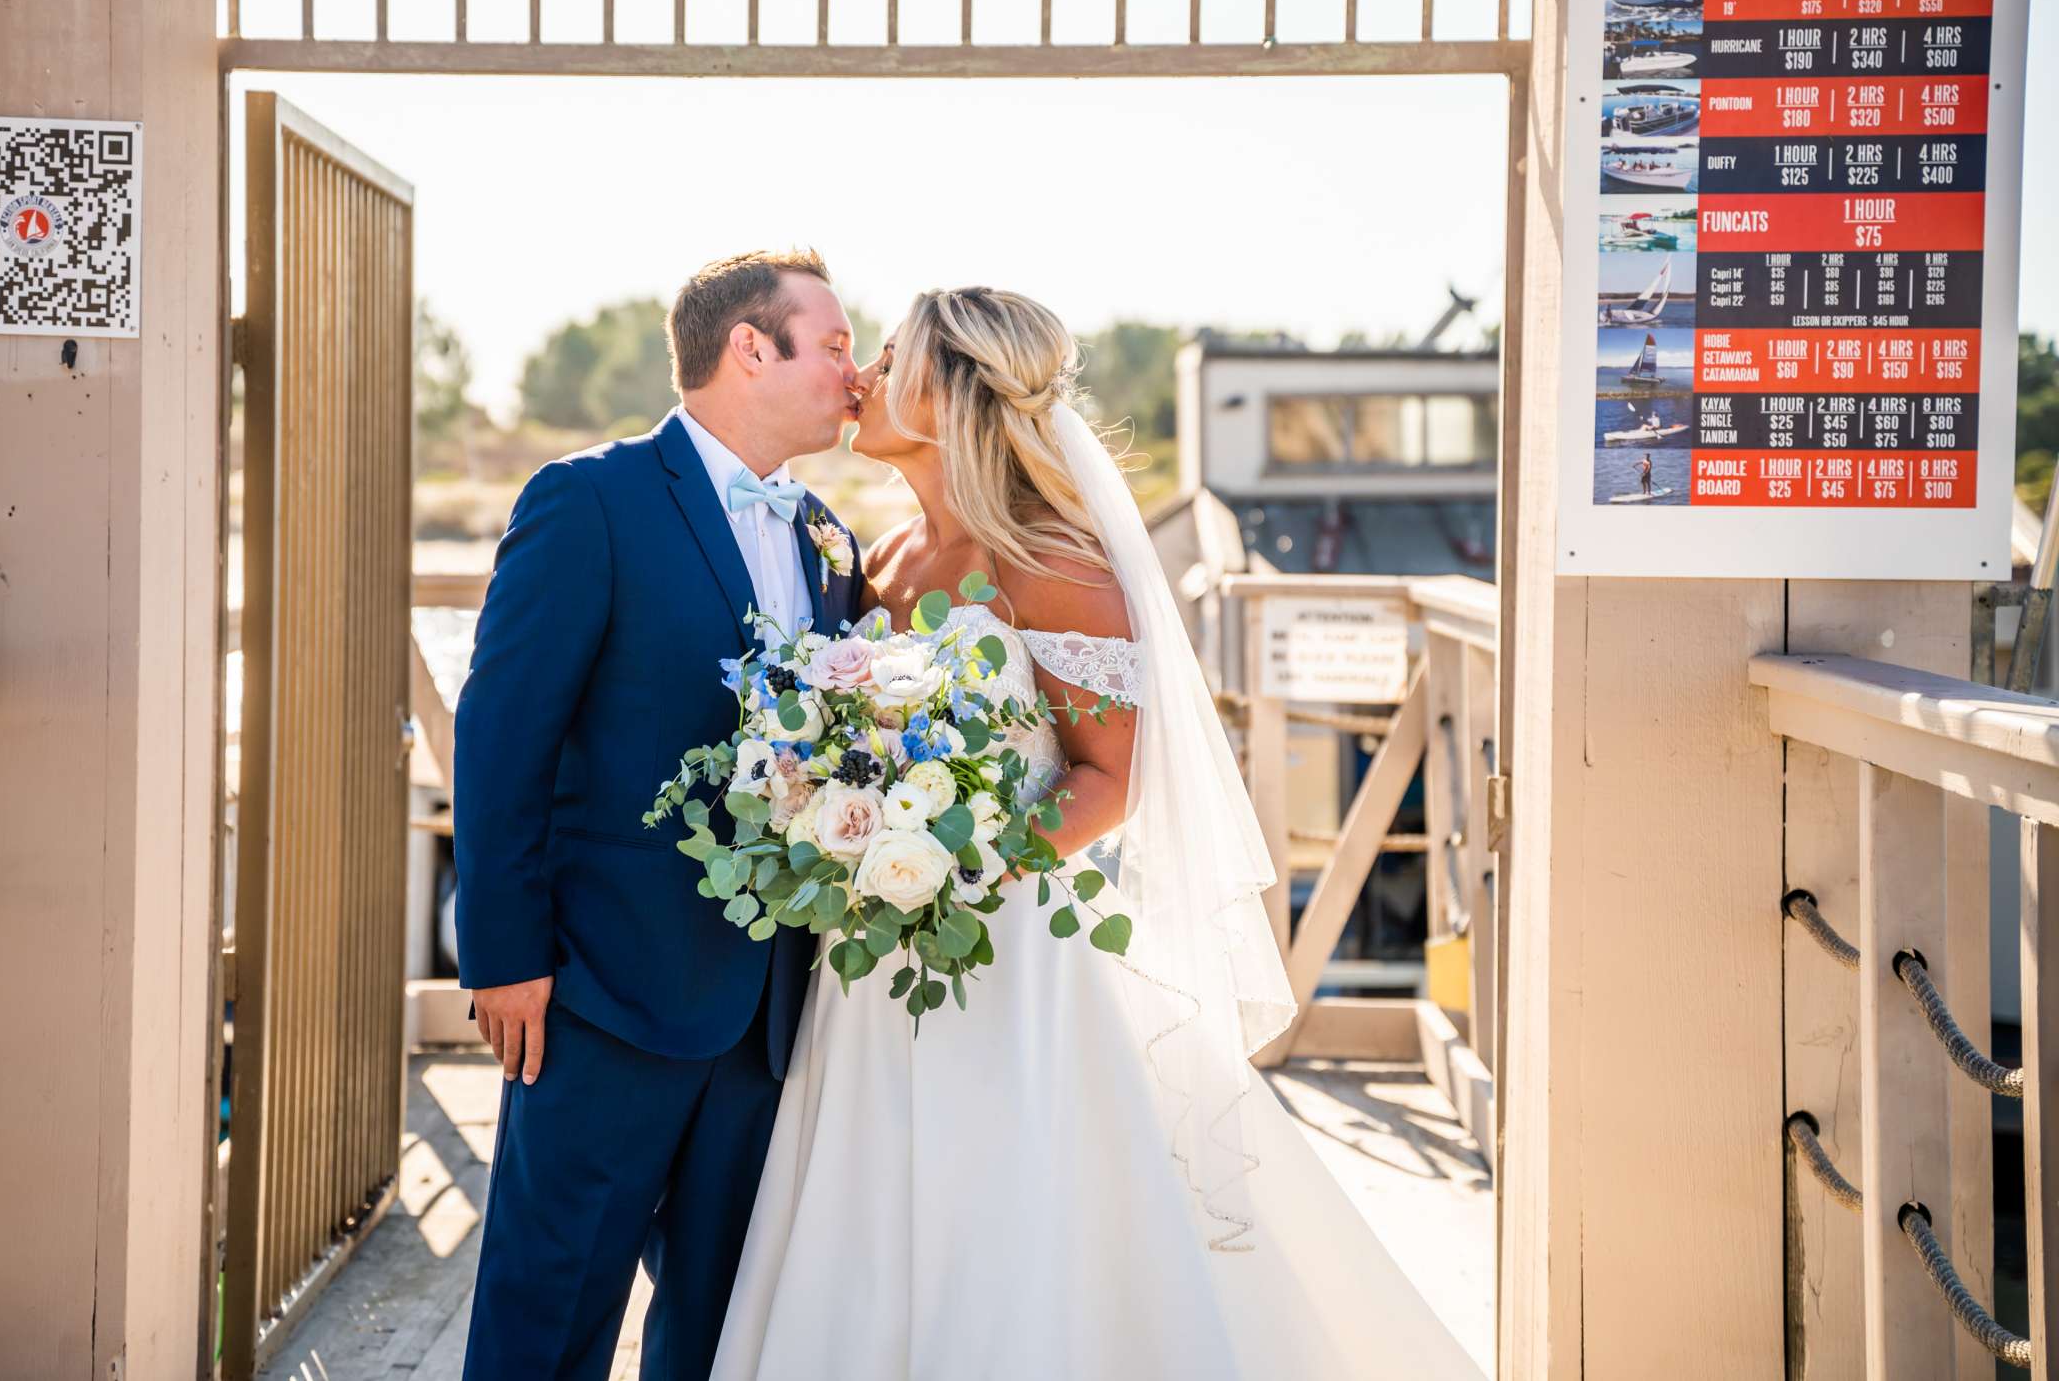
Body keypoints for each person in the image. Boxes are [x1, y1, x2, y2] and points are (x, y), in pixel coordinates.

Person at [709, 287, 1486, 1380]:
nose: (865, 381)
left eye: (888, 360)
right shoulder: (876, 564)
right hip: (867, 950)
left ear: (947, 391)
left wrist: (955, 874)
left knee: (1008, 1206)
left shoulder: (1052, 564)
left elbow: (1110, 778)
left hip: (999, 949)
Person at [450, 250, 868, 1381]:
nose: (855, 369)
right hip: (597, 993)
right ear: (749, 348)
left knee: (722, 1325)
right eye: (832, 345)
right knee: (549, 1311)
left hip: (767, 1013)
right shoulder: (589, 500)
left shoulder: (831, 539)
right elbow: (501, 737)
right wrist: (502, 956)